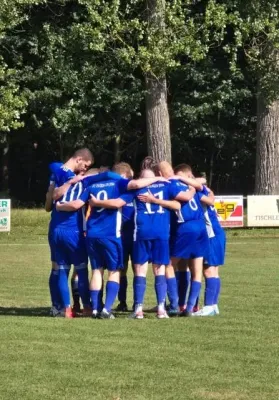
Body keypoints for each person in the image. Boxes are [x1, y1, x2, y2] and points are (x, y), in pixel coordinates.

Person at [89, 168, 181, 319]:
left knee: (140, 271)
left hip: (142, 233)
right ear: (157, 177)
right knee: (160, 271)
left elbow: (118, 202)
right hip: (162, 234)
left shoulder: (138, 189)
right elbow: (177, 206)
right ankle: (161, 309)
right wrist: (158, 200)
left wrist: (97, 202)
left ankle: (138, 309)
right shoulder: (166, 186)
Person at [158, 161, 209, 316]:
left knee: (168, 265)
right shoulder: (185, 182)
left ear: (160, 174)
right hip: (201, 225)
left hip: (186, 227)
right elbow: (202, 185)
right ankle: (190, 307)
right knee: (197, 268)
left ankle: (174, 305)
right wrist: (194, 185)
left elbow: (182, 201)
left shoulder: (170, 185)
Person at [51, 148, 93, 318]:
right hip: (73, 231)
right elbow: (76, 204)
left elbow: (54, 195)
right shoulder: (84, 183)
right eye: (86, 165)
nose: (84, 169)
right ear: (79, 159)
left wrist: (58, 205)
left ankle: (66, 309)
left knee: (62, 270)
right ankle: (88, 307)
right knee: (81, 270)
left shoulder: (58, 173)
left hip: (56, 229)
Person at [194, 184, 226, 316]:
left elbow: (210, 200)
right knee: (215, 271)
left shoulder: (197, 194)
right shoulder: (204, 191)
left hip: (211, 235)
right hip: (217, 233)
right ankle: (213, 304)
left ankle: (208, 306)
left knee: (208, 270)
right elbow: (211, 195)